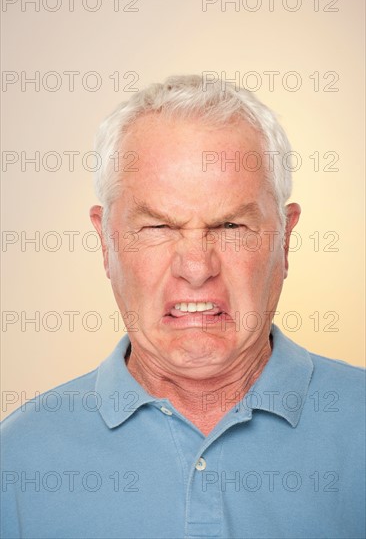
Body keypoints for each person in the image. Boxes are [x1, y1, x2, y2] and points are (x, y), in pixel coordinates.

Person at [1, 75, 365, 539]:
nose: (196, 268)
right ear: (106, 243)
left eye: (231, 224)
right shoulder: (15, 460)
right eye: (157, 227)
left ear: (286, 239)